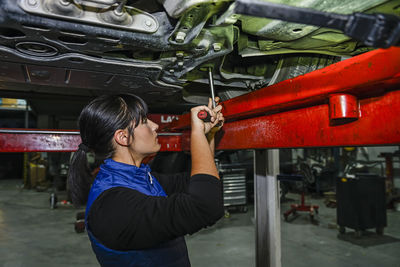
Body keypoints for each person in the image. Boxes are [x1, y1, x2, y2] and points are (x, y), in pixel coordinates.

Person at [67, 94, 225, 267]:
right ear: (123, 137)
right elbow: (206, 206)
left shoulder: (140, 178)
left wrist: (208, 135)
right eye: (144, 121)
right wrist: (196, 134)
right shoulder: (112, 206)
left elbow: (203, 183)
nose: (155, 125)